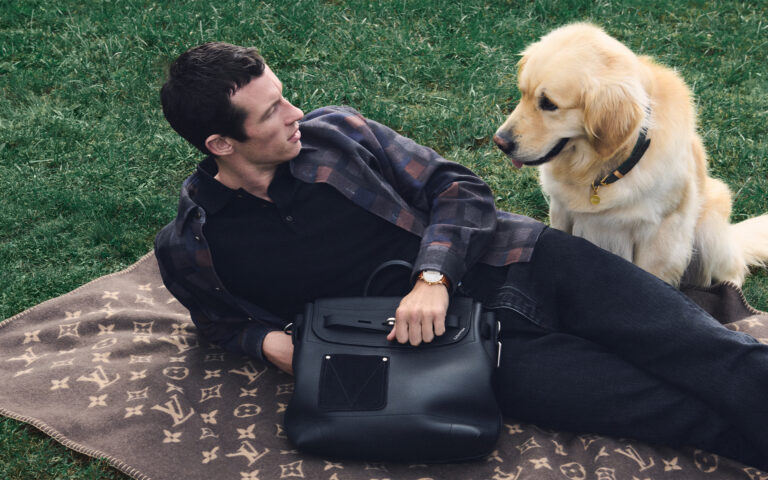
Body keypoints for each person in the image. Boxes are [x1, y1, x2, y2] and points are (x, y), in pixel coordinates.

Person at [155, 42, 768, 470]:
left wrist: (432, 276)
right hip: (454, 358)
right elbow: (218, 322)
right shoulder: (195, 245)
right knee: (662, 409)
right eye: (272, 113)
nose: (295, 115)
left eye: (284, 97)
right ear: (220, 144)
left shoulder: (338, 134)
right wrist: (272, 345)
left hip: (525, 260)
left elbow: (460, 188)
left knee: (704, 351)